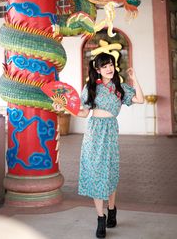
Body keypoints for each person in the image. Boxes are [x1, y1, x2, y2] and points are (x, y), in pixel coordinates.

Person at [54, 52, 144, 238]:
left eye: (111, 64)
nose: (109, 68)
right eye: (104, 66)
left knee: (110, 172)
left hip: (110, 132)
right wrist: (63, 108)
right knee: (96, 173)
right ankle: (100, 218)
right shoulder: (91, 88)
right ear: (97, 70)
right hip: (94, 133)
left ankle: (112, 210)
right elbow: (83, 113)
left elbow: (140, 100)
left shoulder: (120, 88)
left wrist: (135, 79)